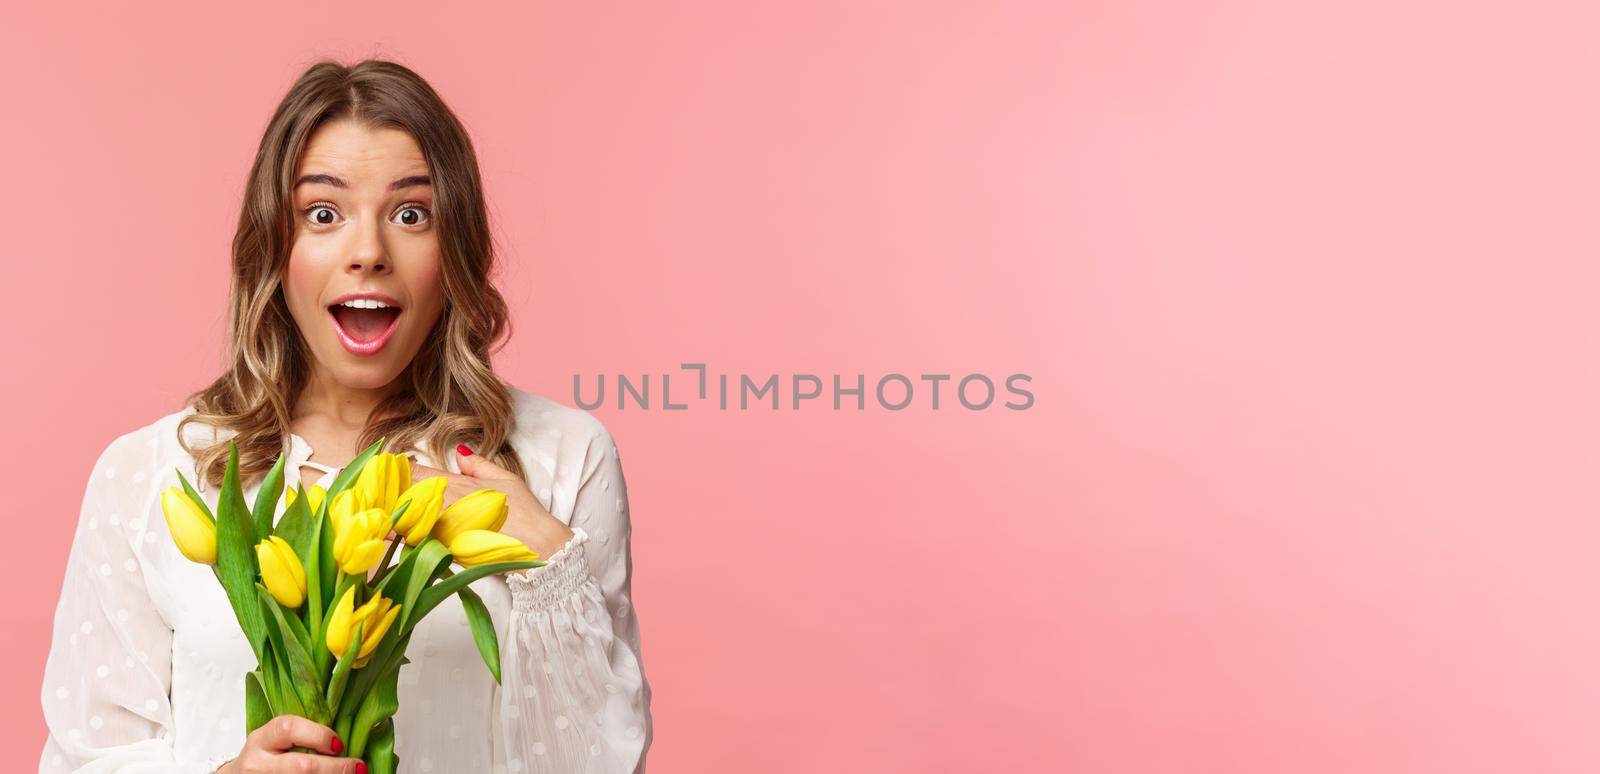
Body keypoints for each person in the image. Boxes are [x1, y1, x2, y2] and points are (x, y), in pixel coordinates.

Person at [37, 59, 652, 773]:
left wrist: (546, 558)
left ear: (453, 250)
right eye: (323, 215)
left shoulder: (562, 458)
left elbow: (604, 759)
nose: (368, 253)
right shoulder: (149, 475)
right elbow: (88, 756)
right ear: (275, 249)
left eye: (411, 214)